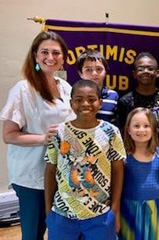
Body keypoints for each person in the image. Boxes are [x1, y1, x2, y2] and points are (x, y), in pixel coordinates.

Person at [0, 31, 75, 240]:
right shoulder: (23, 89)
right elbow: (9, 135)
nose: (50, 57)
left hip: (60, 173)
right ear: (35, 55)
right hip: (31, 175)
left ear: (63, 58)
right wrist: (43, 138)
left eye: (56, 53)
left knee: (57, 227)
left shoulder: (66, 88)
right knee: (33, 232)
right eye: (44, 52)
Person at [44, 79, 126, 240]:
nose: (85, 104)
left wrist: (114, 208)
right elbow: (50, 170)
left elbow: (118, 170)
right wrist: (48, 211)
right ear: (71, 103)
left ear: (100, 103)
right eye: (79, 100)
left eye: (91, 99)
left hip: (100, 214)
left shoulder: (111, 132)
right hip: (62, 214)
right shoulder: (59, 132)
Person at [119, 107, 159, 240]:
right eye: (136, 126)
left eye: (146, 126)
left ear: (153, 130)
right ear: (128, 130)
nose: (141, 130)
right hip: (128, 210)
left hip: (153, 209)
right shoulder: (123, 156)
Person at [116, 52, 159, 157]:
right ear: (134, 73)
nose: (145, 72)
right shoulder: (125, 101)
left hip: (157, 157)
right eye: (140, 69)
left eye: (150, 68)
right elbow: (120, 133)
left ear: (157, 73)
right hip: (131, 158)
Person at [77, 49, 118, 123]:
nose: (94, 73)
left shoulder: (113, 96)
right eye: (88, 70)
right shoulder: (74, 96)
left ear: (105, 72)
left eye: (99, 69)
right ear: (81, 73)